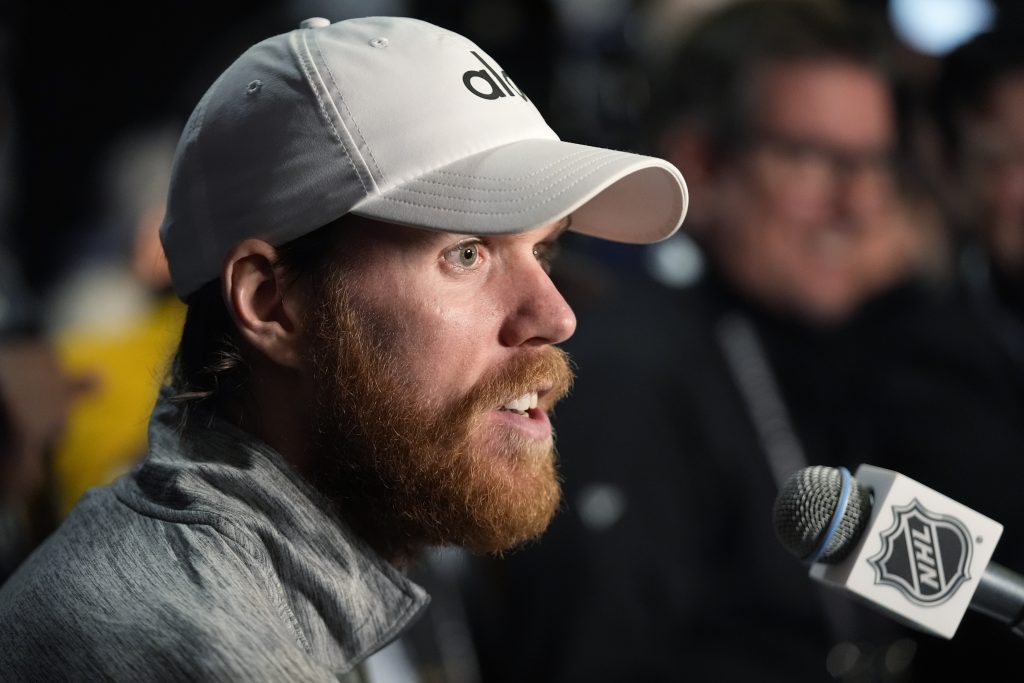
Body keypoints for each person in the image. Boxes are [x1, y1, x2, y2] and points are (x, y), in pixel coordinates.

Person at [0, 16, 687, 681]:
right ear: (272, 303)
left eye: (542, 249)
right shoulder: (194, 644)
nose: (556, 314)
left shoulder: (376, 539)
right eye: (468, 253)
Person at [463, 2, 933, 681]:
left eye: (874, 163)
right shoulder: (633, 372)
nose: (857, 204)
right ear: (702, 163)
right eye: (814, 159)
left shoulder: (851, 340)